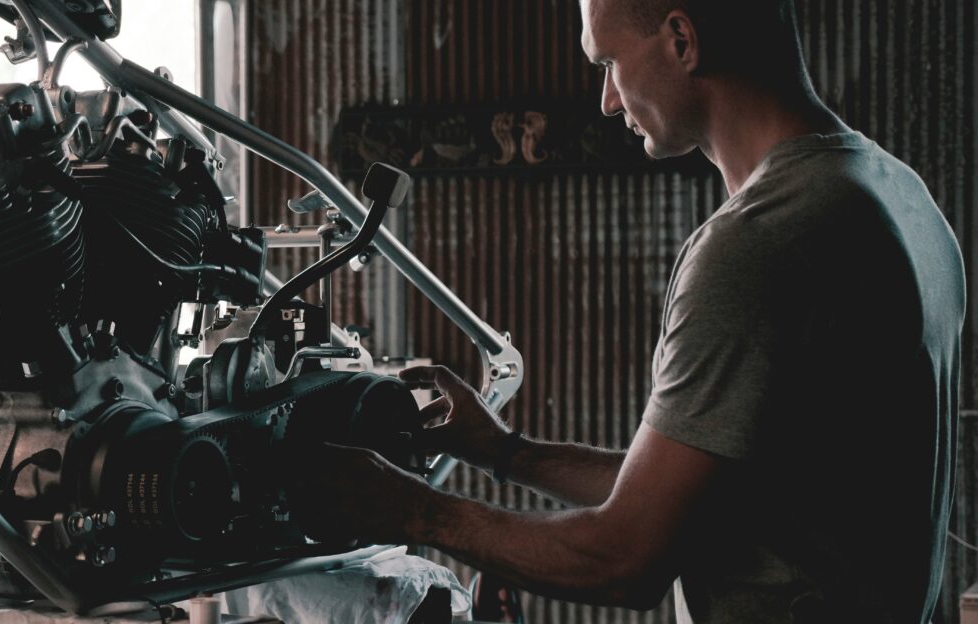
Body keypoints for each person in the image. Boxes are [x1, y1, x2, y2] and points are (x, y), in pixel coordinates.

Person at [293, 0, 966, 622]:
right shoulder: (898, 198)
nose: (608, 100)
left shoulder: (759, 244)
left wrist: (412, 512)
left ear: (682, 41)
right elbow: (693, 493)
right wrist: (502, 451)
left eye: (609, 63)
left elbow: (624, 558)